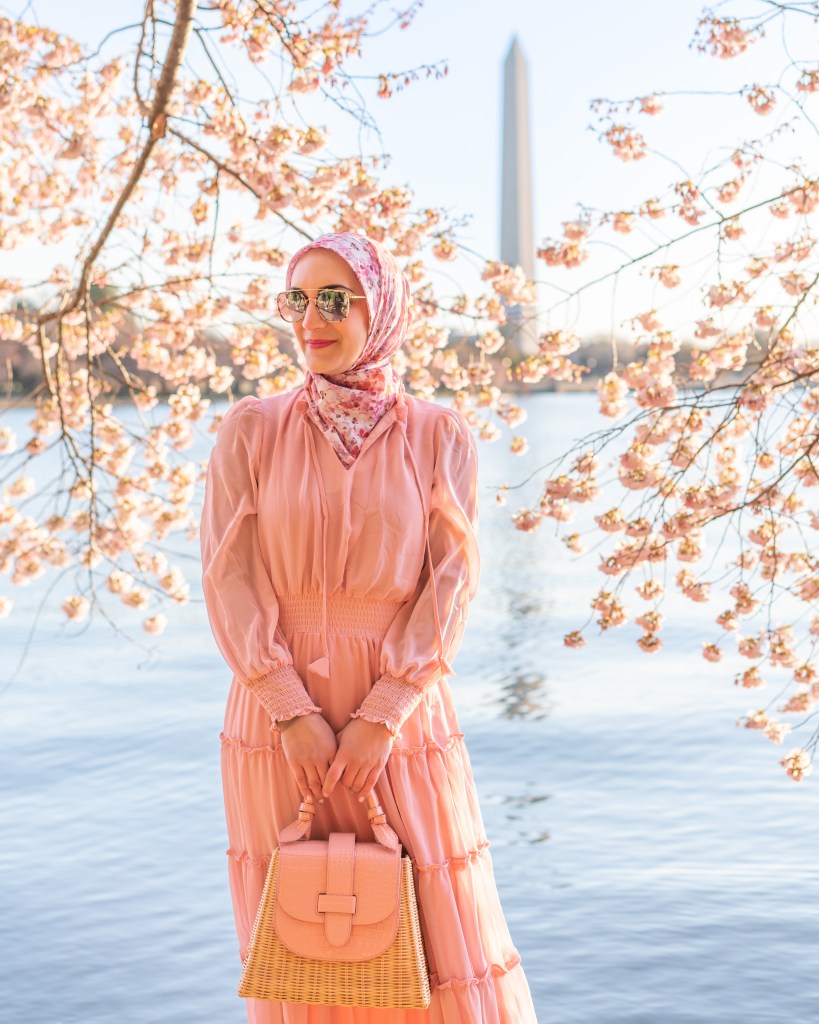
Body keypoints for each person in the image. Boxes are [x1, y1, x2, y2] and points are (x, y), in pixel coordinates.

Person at [200, 231, 538, 1023]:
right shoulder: (250, 430)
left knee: (439, 933)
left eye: (332, 300)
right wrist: (288, 706)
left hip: (403, 716)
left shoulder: (437, 434)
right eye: (296, 299)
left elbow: (450, 582)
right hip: (279, 722)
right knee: (306, 941)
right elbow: (229, 574)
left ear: (379, 309)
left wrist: (384, 713)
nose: (309, 320)